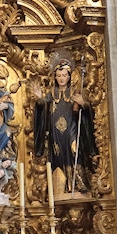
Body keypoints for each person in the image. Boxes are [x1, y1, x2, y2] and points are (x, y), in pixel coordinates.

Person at [33, 58, 97, 197]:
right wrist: (40, 100)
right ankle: (62, 187)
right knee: (58, 155)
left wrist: (83, 104)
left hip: (71, 130)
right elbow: (43, 106)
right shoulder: (52, 94)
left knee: (74, 151)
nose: (61, 78)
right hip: (56, 133)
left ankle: (79, 185)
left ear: (69, 76)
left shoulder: (75, 92)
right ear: (55, 77)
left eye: (64, 75)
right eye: (59, 75)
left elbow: (87, 111)